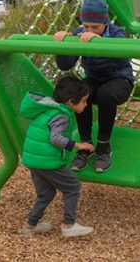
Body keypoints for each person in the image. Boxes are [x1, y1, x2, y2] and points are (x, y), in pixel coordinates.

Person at [54, 0, 133, 173]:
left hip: (119, 80)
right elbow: (65, 65)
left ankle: (104, 147)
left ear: (105, 22)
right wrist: (62, 45)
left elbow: (123, 59)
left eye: (95, 27)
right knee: (79, 93)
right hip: (94, 80)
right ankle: (85, 146)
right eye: (86, 25)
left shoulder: (116, 32)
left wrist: (98, 41)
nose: (89, 30)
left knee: (106, 94)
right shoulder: (79, 32)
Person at [20, 75, 95, 238]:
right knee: (73, 187)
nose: (86, 104)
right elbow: (55, 138)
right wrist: (77, 145)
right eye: (83, 101)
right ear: (70, 101)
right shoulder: (62, 115)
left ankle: (30, 225)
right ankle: (68, 225)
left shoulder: (49, 109)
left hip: (34, 160)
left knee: (45, 194)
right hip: (47, 161)